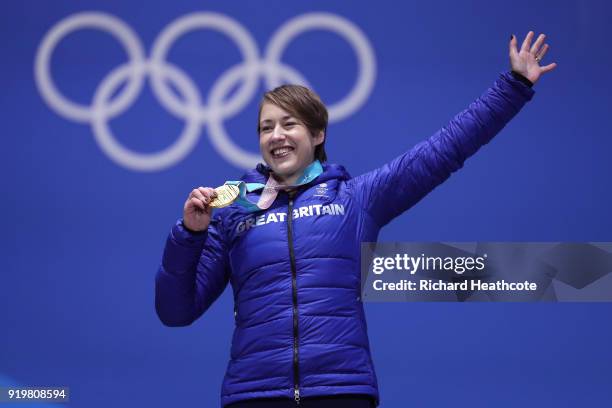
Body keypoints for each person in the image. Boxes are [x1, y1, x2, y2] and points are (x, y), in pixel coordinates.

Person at [155, 32, 556, 407]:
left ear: (317, 135)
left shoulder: (356, 199)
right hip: (254, 394)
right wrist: (189, 235)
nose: (276, 135)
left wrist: (514, 87)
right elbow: (176, 311)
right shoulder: (233, 212)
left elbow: (444, 149)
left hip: (341, 391)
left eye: (289, 124)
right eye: (266, 127)